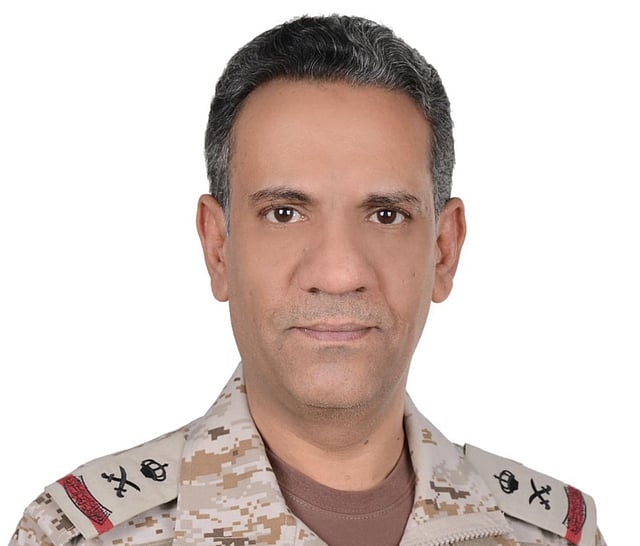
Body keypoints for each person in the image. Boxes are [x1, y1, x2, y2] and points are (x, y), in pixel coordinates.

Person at [9, 15, 605, 546]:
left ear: (444, 251)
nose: (339, 273)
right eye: (284, 213)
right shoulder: (77, 537)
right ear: (218, 248)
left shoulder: (548, 536)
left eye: (386, 215)